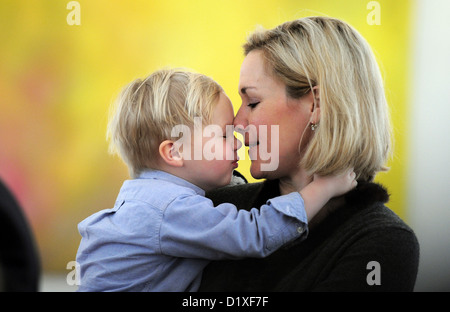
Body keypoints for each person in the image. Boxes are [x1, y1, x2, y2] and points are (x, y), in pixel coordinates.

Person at [75, 69, 357, 291]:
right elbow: (255, 234)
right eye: (223, 136)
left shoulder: (143, 199)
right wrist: (323, 187)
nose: (237, 142)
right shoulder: (170, 210)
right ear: (174, 151)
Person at [199, 16, 420, 291]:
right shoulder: (211, 208)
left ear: (316, 104)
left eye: (253, 102)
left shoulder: (381, 242)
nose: (237, 123)